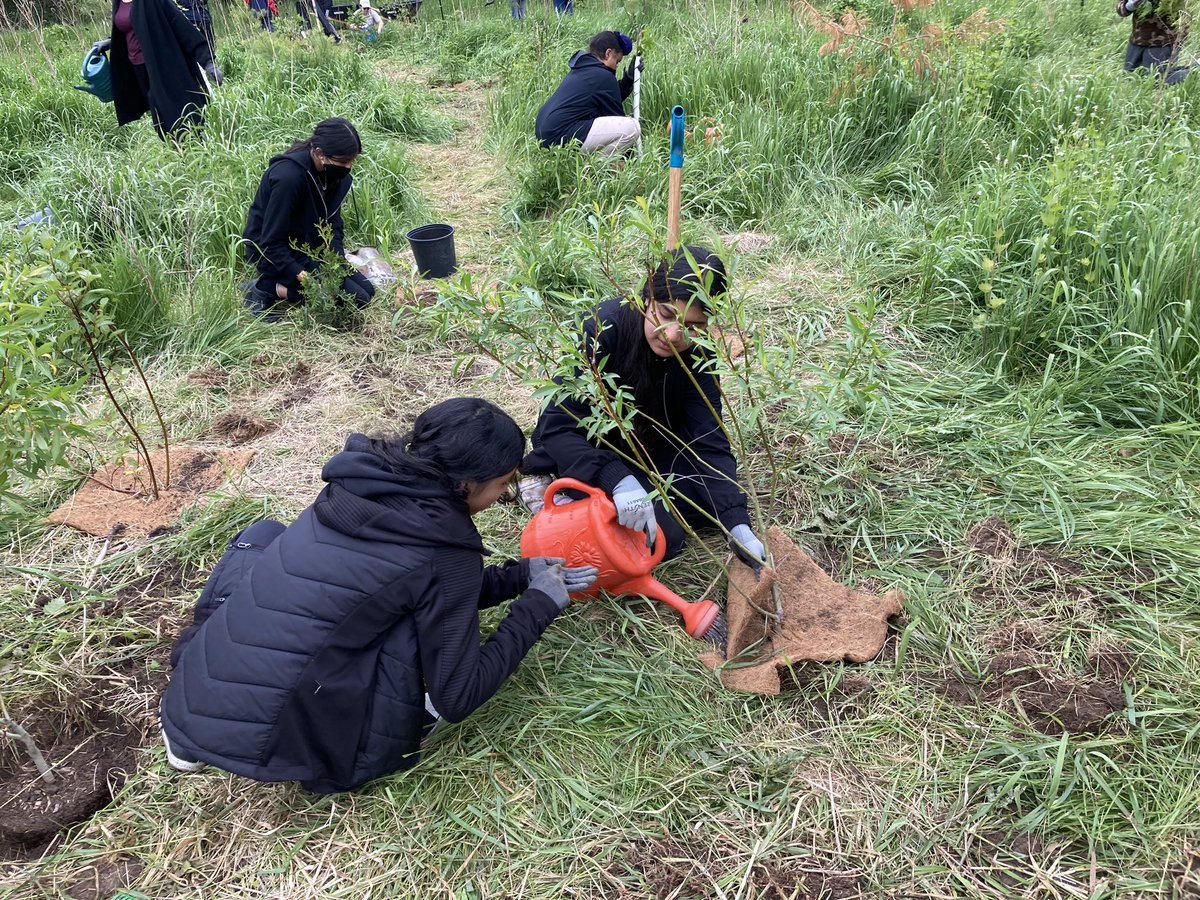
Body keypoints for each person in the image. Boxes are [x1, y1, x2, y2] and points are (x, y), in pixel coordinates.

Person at [159, 398, 598, 794]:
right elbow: (459, 696)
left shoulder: (358, 482)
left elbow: (421, 586)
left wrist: (520, 576)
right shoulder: (444, 551)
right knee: (406, 629)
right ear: (466, 483)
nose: (505, 494)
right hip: (275, 738)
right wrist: (539, 604)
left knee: (265, 536)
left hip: (189, 701)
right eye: (503, 484)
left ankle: (190, 738)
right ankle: (393, 725)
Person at [519, 247, 768, 568]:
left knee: (705, 507)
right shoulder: (601, 330)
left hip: (651, 447)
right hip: (591, 447)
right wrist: (617, 480)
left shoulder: (698, 351)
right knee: (665, 534)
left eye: (693, 326)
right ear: (645, 297)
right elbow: (560, 427)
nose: (674, 335)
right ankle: (565, 494)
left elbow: (707, 437)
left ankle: (608, 503)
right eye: (665, 315)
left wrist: (737, 523)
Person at [241, 117, 376, 319]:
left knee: (367, 292)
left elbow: (333, 225)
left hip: (308, 247)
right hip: (274, 252)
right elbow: (270, 241)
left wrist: (336, 261)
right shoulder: (289, 178)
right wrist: (302, 275)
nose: (348, 167)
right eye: (343, 161)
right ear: (320, 154)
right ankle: (267, 287)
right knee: (356, 299)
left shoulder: (333, 177)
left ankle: (284, 284)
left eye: (351, 161)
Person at [110, 0, 221, 139]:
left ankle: (199, 149)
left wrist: (207, 61)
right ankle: (180, 153)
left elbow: (178, 23)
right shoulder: (118, 2)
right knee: (160, 119)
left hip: (163, 65)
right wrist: (111, 42)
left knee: (179, 115)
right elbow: (133, 27)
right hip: (139, 69)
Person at [534, 31, 644, 158]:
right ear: (608, 53)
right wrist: (629, 158)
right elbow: (616, 116)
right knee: (631, 127)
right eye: (617, 61)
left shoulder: (584, 69)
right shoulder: (603, 76)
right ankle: (594, 168)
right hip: (558, 137)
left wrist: (629, 79)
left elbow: (609, 97)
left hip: (545, 137)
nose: (616, 66)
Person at [1118, 0, 1189, 82]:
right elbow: (1121, 9)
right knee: (1129, 79)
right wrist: (1130, 5)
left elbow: (1181, 7)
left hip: (1163, 40)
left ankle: (1195, 69)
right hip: (1138, 39)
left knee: (1157, 81)